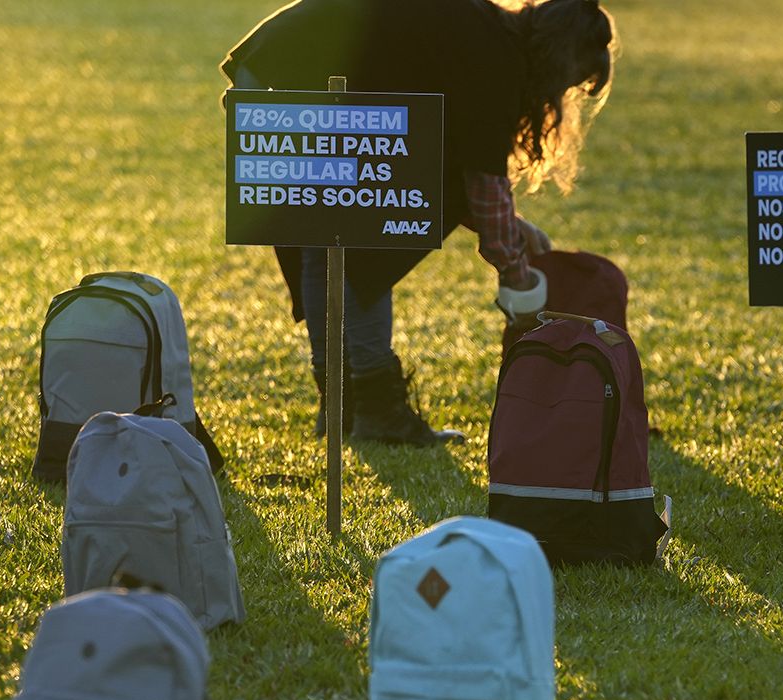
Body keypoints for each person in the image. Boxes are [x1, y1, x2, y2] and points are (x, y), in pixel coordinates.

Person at [222, 0, 617, 445]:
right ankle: (375, 409)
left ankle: (340, 407)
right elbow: (479, 178)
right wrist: (515, 272)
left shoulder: (482, 33)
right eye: (573, 81)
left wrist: (513, 228)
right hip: (292, 70)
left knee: (325, 243)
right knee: (365, 244)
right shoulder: (495, 58)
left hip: (273, 64)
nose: (563, 94)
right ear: (562, 56)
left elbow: (443, 168)